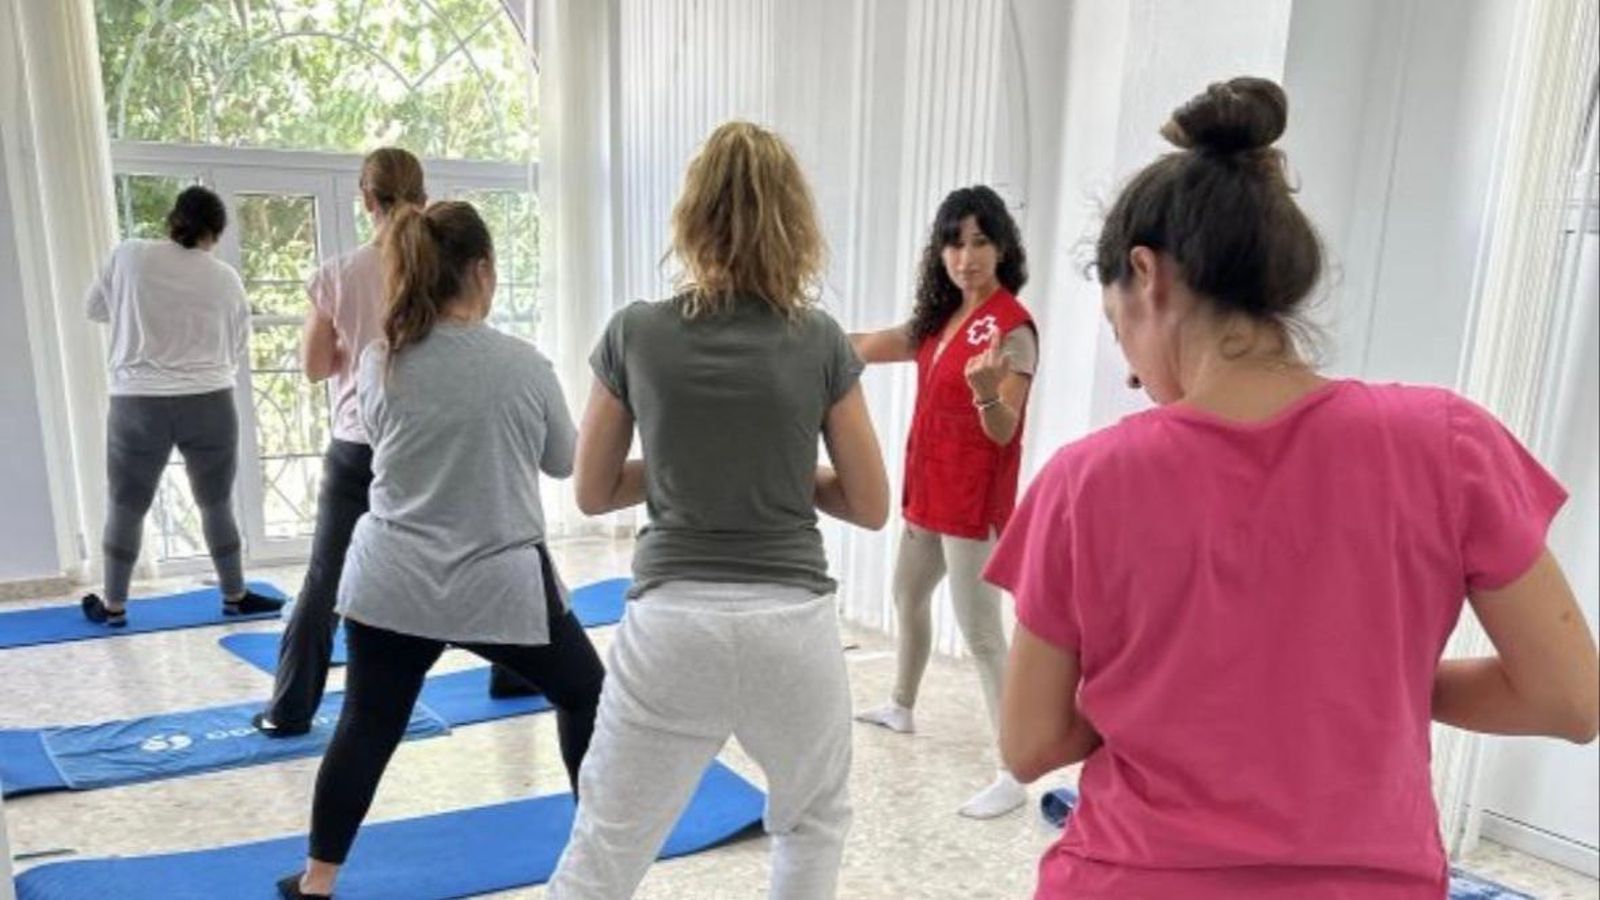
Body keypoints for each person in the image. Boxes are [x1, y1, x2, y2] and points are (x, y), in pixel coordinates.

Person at [986, 76, 1600, 899]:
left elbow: (1030, 743)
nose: (1132, 376)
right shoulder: (1447, 443)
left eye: (1118, 330)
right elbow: (1569, 697)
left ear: (1149, 274)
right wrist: (1353, 677)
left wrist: (1178, 681)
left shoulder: (1085, 481)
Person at [546, 121, 890, 900]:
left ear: (692, 216)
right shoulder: (820, 341)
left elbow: (593, 490)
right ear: (795, 223)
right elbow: (869, 504)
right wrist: (768, 468)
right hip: (791, 631)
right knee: (811, 824)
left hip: (672, 627)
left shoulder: (637, 331)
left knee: (605, 846)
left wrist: (688, 469)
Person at [277, 201, 604, 900]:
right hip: (498, 581)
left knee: (367, 724)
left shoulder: (378, 360)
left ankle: (316, 882)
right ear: (482, 270)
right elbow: (562, 462)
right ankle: (595, 862)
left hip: (394, 581)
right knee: (585, 693)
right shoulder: (522, 364)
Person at [253, 148, 523, 738]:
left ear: (365, 200)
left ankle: (290, 708)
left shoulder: (338, 273)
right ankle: (515, 673)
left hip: (361, 444)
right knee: (488, 549)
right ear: (423, 196)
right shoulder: (441, 264)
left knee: (325, 578)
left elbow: (316, 366)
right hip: (438, 440)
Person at [851, 184, 1039, 818]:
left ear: (1003, 247)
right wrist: (795, 335)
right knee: (907, 594)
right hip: (927, 490)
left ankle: (1015, 771)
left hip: (971, 503)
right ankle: (902, 705)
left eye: (980, 241)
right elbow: (870, 343)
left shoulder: (1013, 329)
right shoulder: (941, 319)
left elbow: (1003, 429)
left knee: (984, 634)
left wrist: (987, 392)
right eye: (955, 243)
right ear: (940, 253)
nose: (967, 256)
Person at [81, 186, 284, 627]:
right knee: (215, 504)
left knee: (126, 505)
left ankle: (113, 606)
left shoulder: (129, 255)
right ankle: (235, 594)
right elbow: (237, 344)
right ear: (215, 233)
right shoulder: (225, 277)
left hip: (137, 402)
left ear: (173, 220)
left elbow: (93, 309)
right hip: (210, 400)